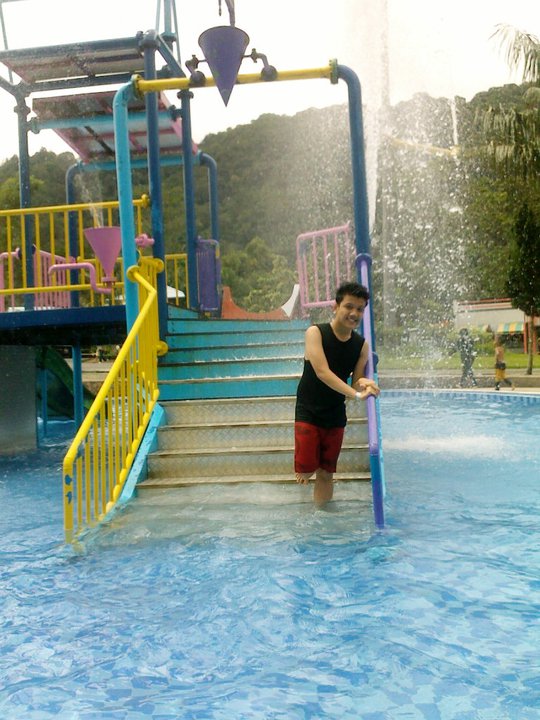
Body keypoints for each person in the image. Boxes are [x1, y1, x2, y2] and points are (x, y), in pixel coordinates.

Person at [294, 281, 380, 506]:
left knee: (326, 472)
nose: (354, 313)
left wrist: (365, 383)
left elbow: (356, 379)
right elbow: (322, 372)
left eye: (360, 309)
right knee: (306, 471)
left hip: (335, 414)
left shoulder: (361, 346)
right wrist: (356, 395)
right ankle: (304, 471)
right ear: (335, 307)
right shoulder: (316, 333)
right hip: (309, 411)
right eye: (349, 306)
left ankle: (321, 516)